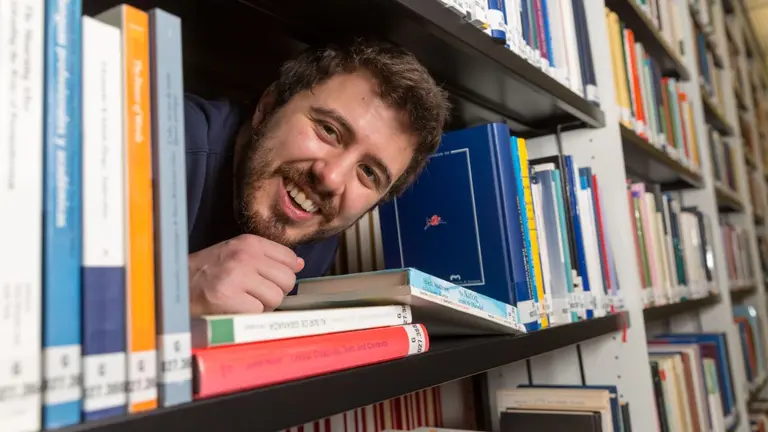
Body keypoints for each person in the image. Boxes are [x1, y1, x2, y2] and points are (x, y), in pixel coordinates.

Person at [184, 39, 451, 317]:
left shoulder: (313, 229)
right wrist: (172, 293)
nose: (332, 179)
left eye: (368, 172)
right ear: (268, 106)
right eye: (329, 130)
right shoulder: (156, 143)